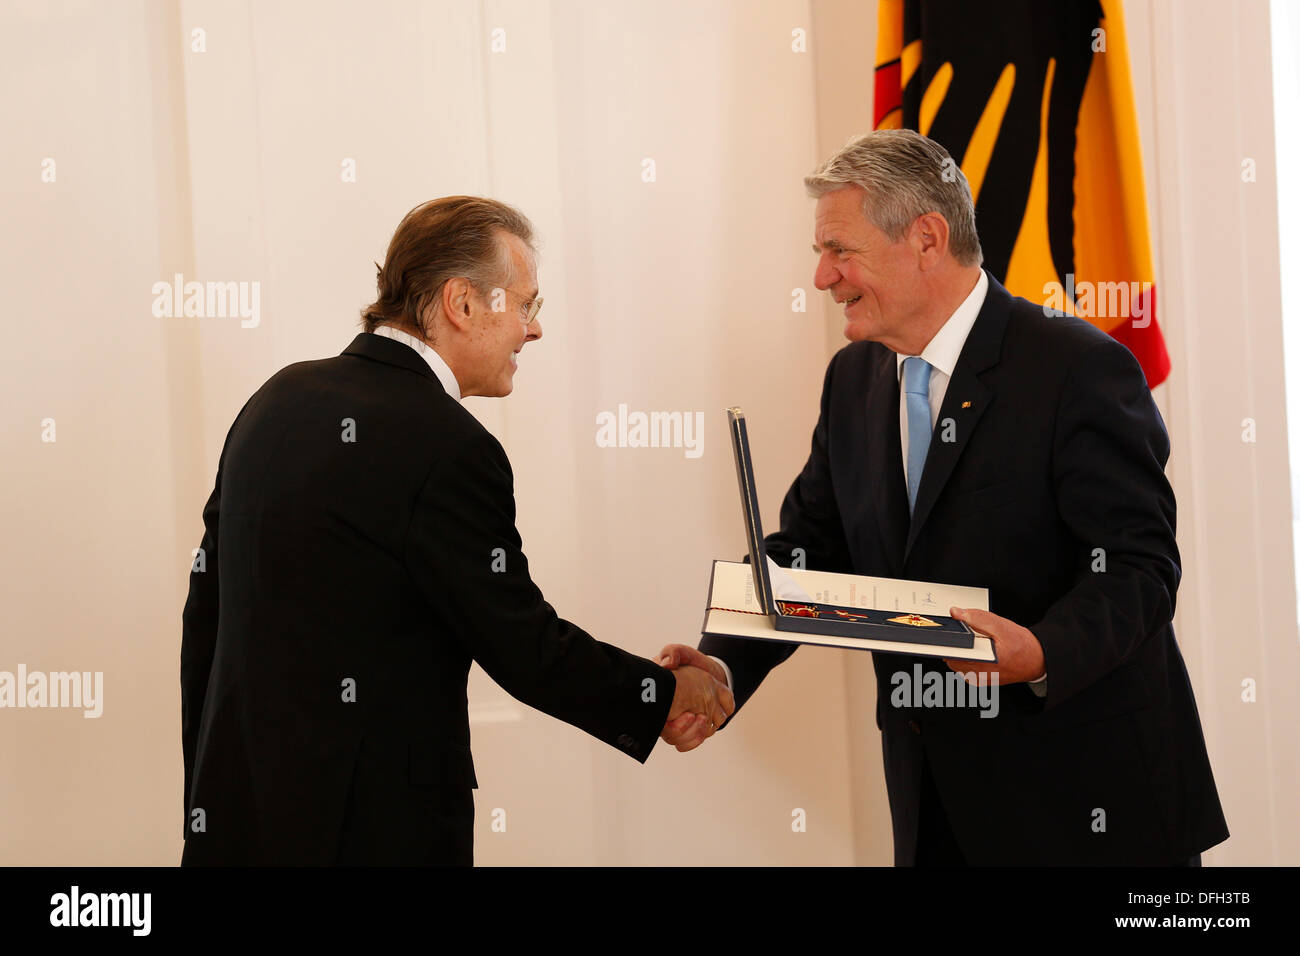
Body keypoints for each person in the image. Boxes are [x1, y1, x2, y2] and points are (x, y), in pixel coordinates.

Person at [660, 130, 1228, 866]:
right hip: (936, 809)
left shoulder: (1078, 368)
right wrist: (720, 666)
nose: (822, 277)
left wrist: (1042, 651)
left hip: (1089, 807)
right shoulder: (854, 378)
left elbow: (1138, 570)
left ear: (926, 238)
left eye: (840, 250)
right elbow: (807, 549)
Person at [181, 196, 732, 866]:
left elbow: (204, 620)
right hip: (369, 835)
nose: (534, 331)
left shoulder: (274, 400)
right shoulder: (447, 444)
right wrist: (665, 693)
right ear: (462, 304)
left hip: (237, 822)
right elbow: (525, 647)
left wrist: (206, 807)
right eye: (526, 305)